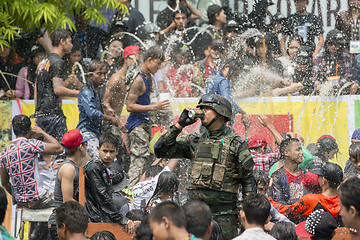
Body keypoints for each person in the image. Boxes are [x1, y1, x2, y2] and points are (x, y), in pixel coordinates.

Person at [154, 94, 256, 239]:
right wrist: (179, 124)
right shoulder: (194, 141)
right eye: (200, 108)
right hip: (194, 215)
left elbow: (248, 181)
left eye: (207, 108)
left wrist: (248, 218)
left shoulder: (236, 144)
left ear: (221, 113)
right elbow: (160, 150)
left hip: (224, 216)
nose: (201, 112)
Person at [0, 115, 63, 239]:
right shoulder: (31, 144)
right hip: (39, 198)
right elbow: (59, 148)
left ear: (13, 129)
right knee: (64, 203)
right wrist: (41, 132)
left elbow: (5, 182)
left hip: (20, 201)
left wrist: (17, 196)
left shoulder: (4, 153)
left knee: (38, 223)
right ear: (29, 129)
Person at [126, 46, 170, 187]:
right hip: (136, 125)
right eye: (157, 64)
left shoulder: (147, 75)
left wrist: (162, 64)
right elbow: (129, 106)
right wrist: (154, 107)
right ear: (149, 60)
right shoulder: (138, 80)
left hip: (144, 124)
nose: (158, 68)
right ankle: (131, 191)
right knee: (139, 159)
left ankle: (141, 189)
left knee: (148, 158)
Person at [84, 132, 136, 233]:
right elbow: (102, 196)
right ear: (98, 149)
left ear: (117, 151)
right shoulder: (94, 167)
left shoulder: (104, 169)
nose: (108, 155)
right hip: (94, 218)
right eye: (105, 151)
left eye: (111, 151)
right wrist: (122, 219)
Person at [35, 29, 79, 142]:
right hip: (53, 115)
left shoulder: (44, 60)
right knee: (61, 150)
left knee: (45, 152)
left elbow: (37, 87)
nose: (72, 45)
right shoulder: (58, 61)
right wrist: (80, 93)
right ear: (62, 42)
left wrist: (36, 113)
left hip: (41, 115)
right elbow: (58, 89)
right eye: (70, 41)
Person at [48, 129, 90, 240]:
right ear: (80, 147)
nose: (87, 148)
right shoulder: (68, 168)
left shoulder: (75, 165)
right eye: (85, 144)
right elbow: (68, 200)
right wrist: (88, 213)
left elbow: (90, 162)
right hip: (62, 225)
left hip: (69, 222)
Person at [270, 162, 343, 224]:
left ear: (323, 180)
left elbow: (286, 211)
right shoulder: (345, 201)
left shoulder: (311, 200)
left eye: (319, 176)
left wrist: (268, 200)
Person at [76, 60, 121, 158]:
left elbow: (98, 107)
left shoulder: (97, 89)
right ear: (90, 75)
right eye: (99, 74)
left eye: (105, 74)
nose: (103, 77)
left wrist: (107, 109)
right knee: (100, 158)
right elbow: (91, 113)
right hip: (86, 132)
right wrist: (109, 118)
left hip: (96, 132)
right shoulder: (86, 91)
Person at [103, 45, 141, 133]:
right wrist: (117, 120)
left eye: (137, 61)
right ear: (126, 59)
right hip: (110, 124)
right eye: (133, 60)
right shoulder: (116, 79)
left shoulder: (129, 78)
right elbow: (105, 102)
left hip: (117, 122)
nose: (136, 63)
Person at [312, 29, 353, 95]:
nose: (333, 46)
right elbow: (314, 77)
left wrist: (335, 86)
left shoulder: (345, 56)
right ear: (326, 44)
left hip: (341, 93)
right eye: (331, 43)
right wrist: (320, 86)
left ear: (340, 45)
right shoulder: (319, 57)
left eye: (336, 44)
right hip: (323, 93)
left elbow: (348, 76)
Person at [269, 138, 305, 205]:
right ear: (286, 153)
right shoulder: (278, 176)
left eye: (301, 149)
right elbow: (279, 204)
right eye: (298, 150)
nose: (302, 152)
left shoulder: (305, 173)